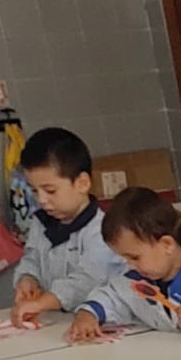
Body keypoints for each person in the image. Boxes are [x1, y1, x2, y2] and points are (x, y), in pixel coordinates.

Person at [10, 126, 126, 324]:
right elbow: (31, 258)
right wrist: (27, 278)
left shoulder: (103, 229)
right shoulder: (41, 222)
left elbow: (86, 281)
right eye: (34, 191)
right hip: (56, 322)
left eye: (50, 191)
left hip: (99, 323)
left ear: (82, 183)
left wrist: (43, 303)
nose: (42, 200)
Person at [67, 186, 181, 342]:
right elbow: (111, 297)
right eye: (126, 259)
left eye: (135, 258)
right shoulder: (136, 280)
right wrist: (88, 314)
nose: (130, 265)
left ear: (167, 245)